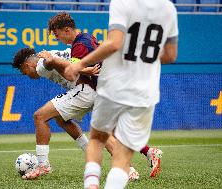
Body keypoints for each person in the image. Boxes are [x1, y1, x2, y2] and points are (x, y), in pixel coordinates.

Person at [62, 0, 179, 188]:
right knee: (123, 152)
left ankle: (91, 183)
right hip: (145, 92)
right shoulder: (168, 8)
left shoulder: (122, 2)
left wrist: (80, 64)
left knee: (98, 138)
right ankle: (148, 153)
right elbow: (170, 56)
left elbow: (114, 43)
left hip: (115, 84)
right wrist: (144, 55)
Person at [41, 11, 165, 181]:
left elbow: (71, 73)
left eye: (57, 34)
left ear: (67, 29)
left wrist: (55, 61)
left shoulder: (80, 45)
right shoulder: (85, 38)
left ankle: (128, 169)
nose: (56, 38)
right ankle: (149, 153)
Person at [12, 47, 99, 180]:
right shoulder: (52, 53)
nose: (27, 76)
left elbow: (51, 61)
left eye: (24, 72)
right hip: (93, 87)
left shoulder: (41, 64)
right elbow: (68, 57)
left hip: (85, 89)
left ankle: (43, 165)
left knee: (39, 116)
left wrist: (83, 70)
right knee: (60, 118)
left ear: (27, 65)